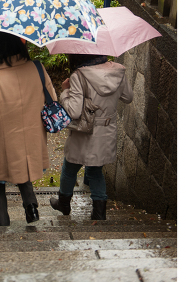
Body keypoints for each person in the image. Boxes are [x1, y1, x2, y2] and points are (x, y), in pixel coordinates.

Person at [0, 32, 54, 226]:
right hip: (33, 140)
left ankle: (2, 225)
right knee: (22, 169)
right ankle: (31, 205)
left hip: (3, 143)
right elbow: (53, 101)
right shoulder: (38, 68)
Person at [50, 54, 133, 220]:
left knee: (70, 167)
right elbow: (128, 97)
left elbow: (74, 111)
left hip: (84, 131)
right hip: (106, 130)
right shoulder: (117, 72)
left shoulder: (79, 75)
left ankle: (64, 203)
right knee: (95, 170)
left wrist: (65, 91)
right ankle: (99, 213)